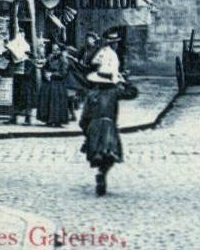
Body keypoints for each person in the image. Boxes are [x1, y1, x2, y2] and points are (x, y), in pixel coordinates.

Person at [79, 58, 139, 196]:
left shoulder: (91, 94)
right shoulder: (114, 92)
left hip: (94, 127)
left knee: (98, 155)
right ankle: (102, 173)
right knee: (110, 154)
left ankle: (100, 173)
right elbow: (133, 93)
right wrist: (125, 81)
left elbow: (83, 119)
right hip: (109, 128)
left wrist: (86, 133)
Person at [37, 42, 72, 127]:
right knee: (46, 96)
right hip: (49, 80)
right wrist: (45, 73)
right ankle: (47, 119)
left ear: (60, 50)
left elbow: (63, 72)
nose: (54, 51)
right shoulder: (50, 57)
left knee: (56, 100)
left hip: (58, 82)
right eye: (53, 49)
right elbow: (45, 67)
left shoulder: (63, 60)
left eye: (56, 50)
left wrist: (52, 75)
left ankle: (57, 120)